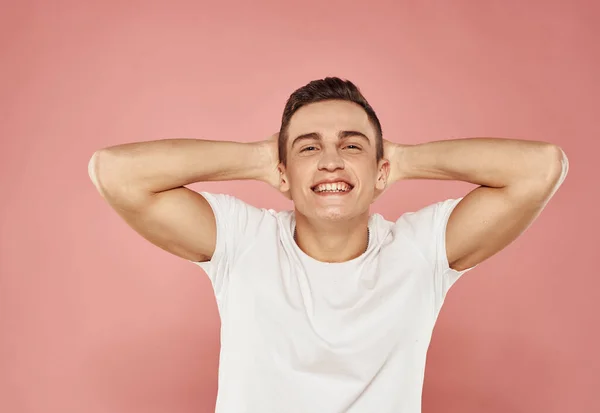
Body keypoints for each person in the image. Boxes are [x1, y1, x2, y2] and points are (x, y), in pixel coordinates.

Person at [88, 77, 568, 413]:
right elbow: (114, 173)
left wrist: (400, 159)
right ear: (282, 172)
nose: (332, 161)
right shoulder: (243, 241)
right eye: (309, 147)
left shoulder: (418, 252)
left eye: (353, 146)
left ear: (380, 172)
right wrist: (260, 157)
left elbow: (541, 168)